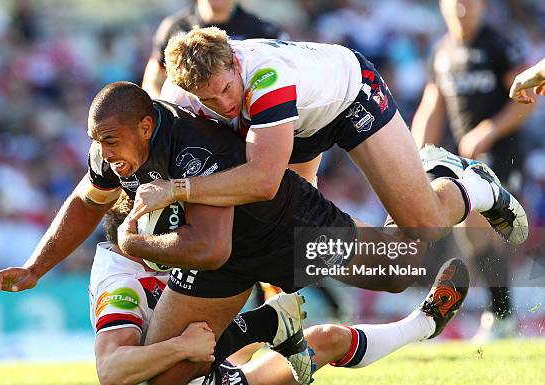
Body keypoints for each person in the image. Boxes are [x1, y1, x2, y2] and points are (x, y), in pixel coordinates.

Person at [0, 82, 458, 385]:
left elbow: (210, 247)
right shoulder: (114, 150)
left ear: (146, 126)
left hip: (281, 227)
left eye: (109, 141)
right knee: (173, 375)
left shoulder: (192, 148)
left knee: (399, 271)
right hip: (219, 259)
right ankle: (290, 326)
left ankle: (456, 185)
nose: (103, 153)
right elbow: (87, 201)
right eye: (95, 142)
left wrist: (135, 242)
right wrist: (35, 267)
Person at [132, 26, 528, 248]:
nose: (225, 103)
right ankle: (285, 328)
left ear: (234, 60)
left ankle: (474, 186)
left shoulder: (264, 75)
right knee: (286, 233)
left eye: (226, 88)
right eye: (209, 100)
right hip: (294, 124)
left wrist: (177, 189)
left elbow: (263, 181)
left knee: (423, 226)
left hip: (350, 97)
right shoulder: (180, 97)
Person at [86, 192, 472, 385]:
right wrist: (181, 347)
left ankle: (423, 322)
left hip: (199, 366)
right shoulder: (121, 287)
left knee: (317, 334)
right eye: (171, 233)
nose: (179, 239)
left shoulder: (143, 257)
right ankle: (270, 323)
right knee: (325, 338)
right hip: (188, 374)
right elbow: (110, 370)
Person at [411, 0, 535, 341]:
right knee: (470, 230)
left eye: (470, 1)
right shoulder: (442, 50)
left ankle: (501, 314)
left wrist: (490, 131)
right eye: (455, 2)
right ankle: (502, 314)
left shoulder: (498, 42)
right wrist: (413, 158)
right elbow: (432, 106)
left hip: (504, 153)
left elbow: (526, 97)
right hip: (465, 160)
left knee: (475, 223)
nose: (462, 8)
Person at [142, 0, 285, 98]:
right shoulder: (174, 28)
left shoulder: (263, 31)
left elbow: (282, 81)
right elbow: (153, 81)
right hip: (189, 128)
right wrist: (169, 117)